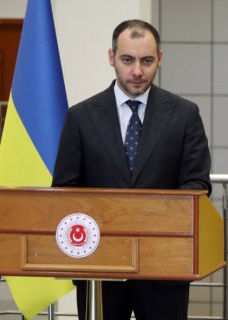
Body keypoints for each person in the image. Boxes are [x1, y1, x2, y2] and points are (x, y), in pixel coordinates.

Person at [53, 19, 212, 320]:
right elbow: (65, 190)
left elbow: (197, 185)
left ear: (160, 59)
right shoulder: (80, 117)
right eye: (128, 60)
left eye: (146, 61)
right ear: (111, 57)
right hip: (98, 266)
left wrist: (146, 219)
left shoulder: (185, 115)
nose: (137, 71)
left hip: (164, 267)